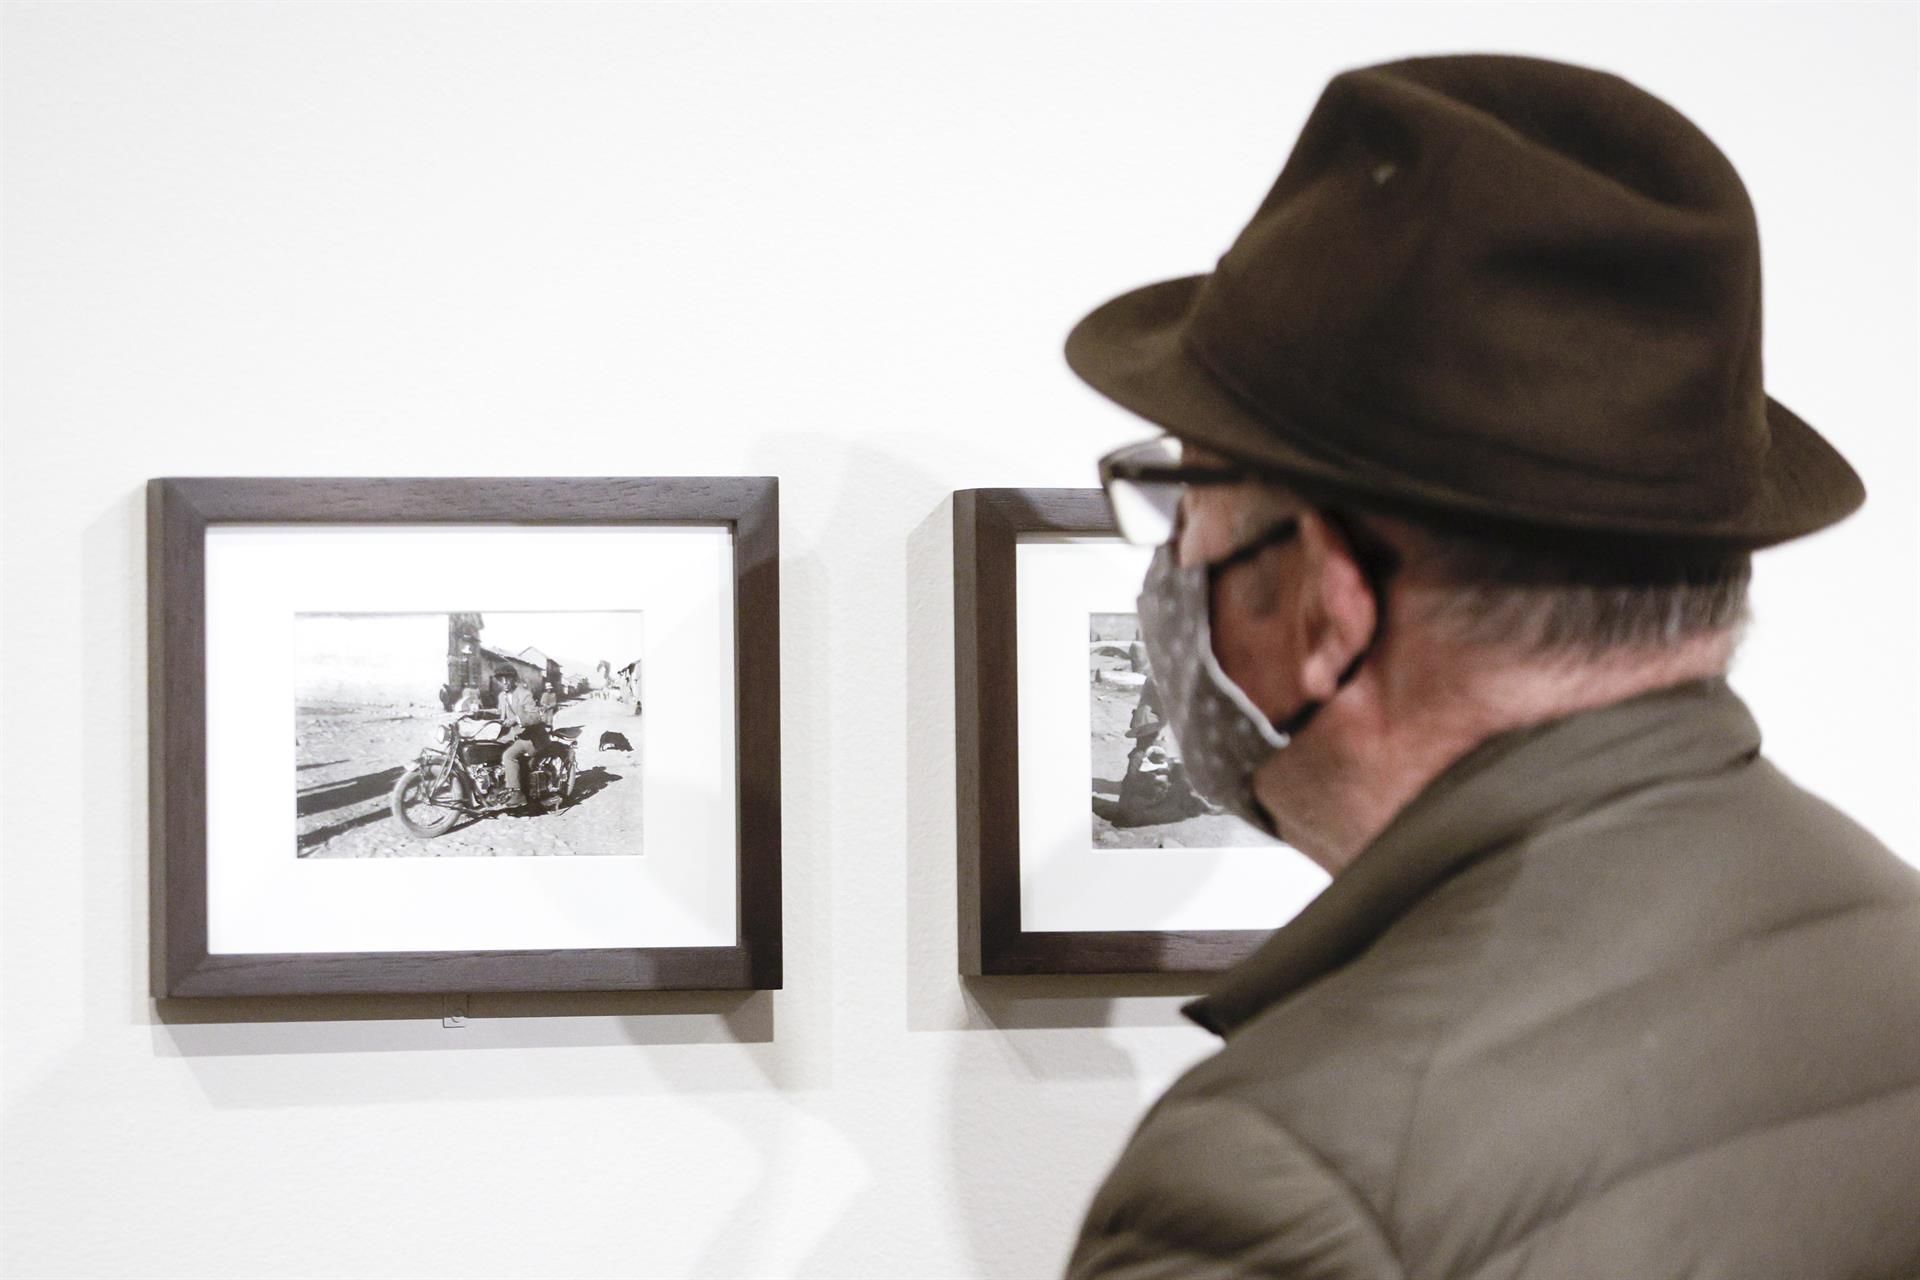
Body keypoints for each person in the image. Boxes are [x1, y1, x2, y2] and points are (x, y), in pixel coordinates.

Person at [1061, 54, 1920, 1278]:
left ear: (1325, 596)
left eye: (1185, 501)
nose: (1169, 566)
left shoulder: (1282, 1180)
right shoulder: (1897, 936)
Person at [490, 667, 549, 809]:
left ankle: (517, 794)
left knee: (508, 756)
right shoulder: (501, 696)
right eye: (500, 680)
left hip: (531, 737)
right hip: (512, 735)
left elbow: (535, 716)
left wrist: (517, 719)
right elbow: (499, 713)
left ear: (513, 679)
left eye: (507, 679)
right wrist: (477, 712)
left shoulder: (524, 694)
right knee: (490, 750)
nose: (504, 682)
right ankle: (496, 786)